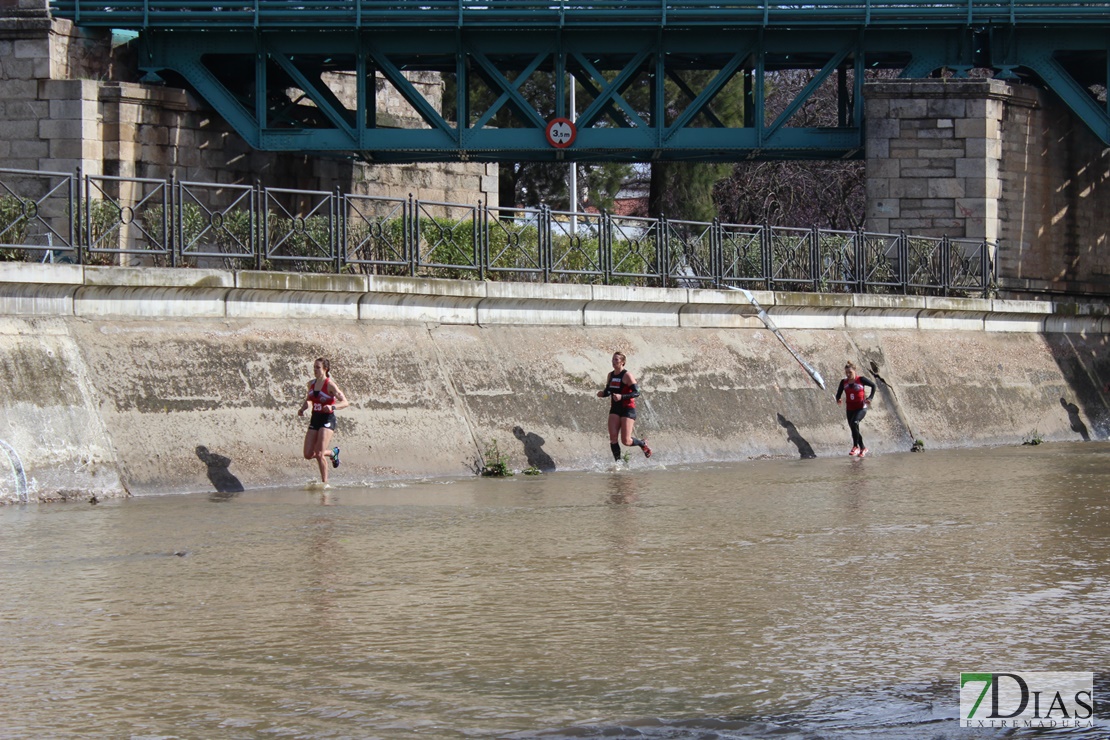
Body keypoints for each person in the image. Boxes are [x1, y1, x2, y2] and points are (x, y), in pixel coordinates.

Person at [298, 357, 349, 484]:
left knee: (319, 454)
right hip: (315, 418)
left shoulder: (330, 385)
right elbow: (309, 399)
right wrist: (303, 409)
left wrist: (332, 406)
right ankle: (332, 453)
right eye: (314, 367)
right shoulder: (311, 384)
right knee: (308, 454)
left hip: (327, 419)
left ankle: (324, 484)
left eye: (318, 367)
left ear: (325, 369)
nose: (315, 370)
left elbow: (345, 402)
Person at [596, 351, 652, 462]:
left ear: (622, 362)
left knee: (626, 441)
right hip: (615, 409)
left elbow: (637, 392)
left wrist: (622, 397)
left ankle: (642, 443)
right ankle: (618, 463)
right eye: (613, 359)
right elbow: (609, 391)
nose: (613, 362)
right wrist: (603, 394)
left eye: (616, 360)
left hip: (627, 409)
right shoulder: (610, 375)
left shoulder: (627, 375)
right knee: (613, 438)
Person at [835, 361, 876, 457]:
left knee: (854, 423)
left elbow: (873, 386)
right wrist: (838, 399)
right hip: (850, 408)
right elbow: (838, 393)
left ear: (854, 371)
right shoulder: (843, 382)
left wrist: (870, 398)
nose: (848, 375)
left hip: (861, 408)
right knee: (854, 428)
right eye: (847, 373)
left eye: (850, 372)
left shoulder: (861, 379)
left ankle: (855, 446)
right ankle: (863, 448)